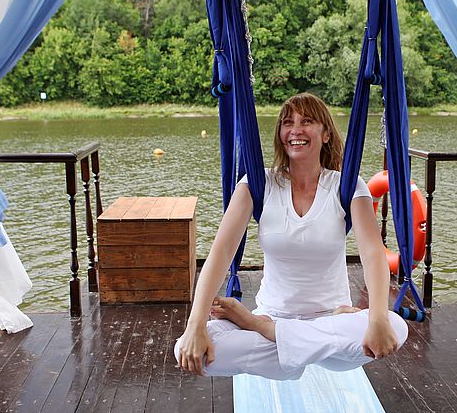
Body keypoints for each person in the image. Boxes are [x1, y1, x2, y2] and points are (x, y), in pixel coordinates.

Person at [175, 93, 408, 380]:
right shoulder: (258, 184)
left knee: (396, 326)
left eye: (306, 121)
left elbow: (372, 254)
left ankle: (267, 333)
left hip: (330, 317)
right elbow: (221, 252)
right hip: (285, 318)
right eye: (287, 123)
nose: (295, 130)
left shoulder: (345, 186)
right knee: (190, 350)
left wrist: (377, 318)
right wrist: (195, 325)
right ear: (280, 135)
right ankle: (289, 344)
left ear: (325, 134)